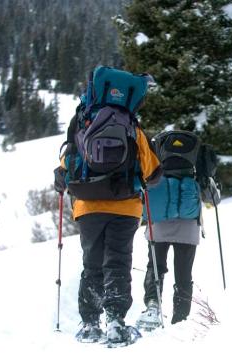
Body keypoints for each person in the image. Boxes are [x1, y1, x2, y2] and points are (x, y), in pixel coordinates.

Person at [54, 67, 162, 346]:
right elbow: (152, 170)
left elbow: (68, 163)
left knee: (92, 263)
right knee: (118, 262)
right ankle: (115, 321)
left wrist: (62, 179)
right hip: (125, 207)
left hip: (88, 206)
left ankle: (90, 324)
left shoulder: (82, 120)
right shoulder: (132, 125)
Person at [136, 132, 220, 330]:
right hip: (188, 226)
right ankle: (180, 320)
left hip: (158, 223)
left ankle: (152, 305)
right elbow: (212, 198)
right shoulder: (197, 159)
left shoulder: (155, 152)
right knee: (183, 274)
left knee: (155, 267)